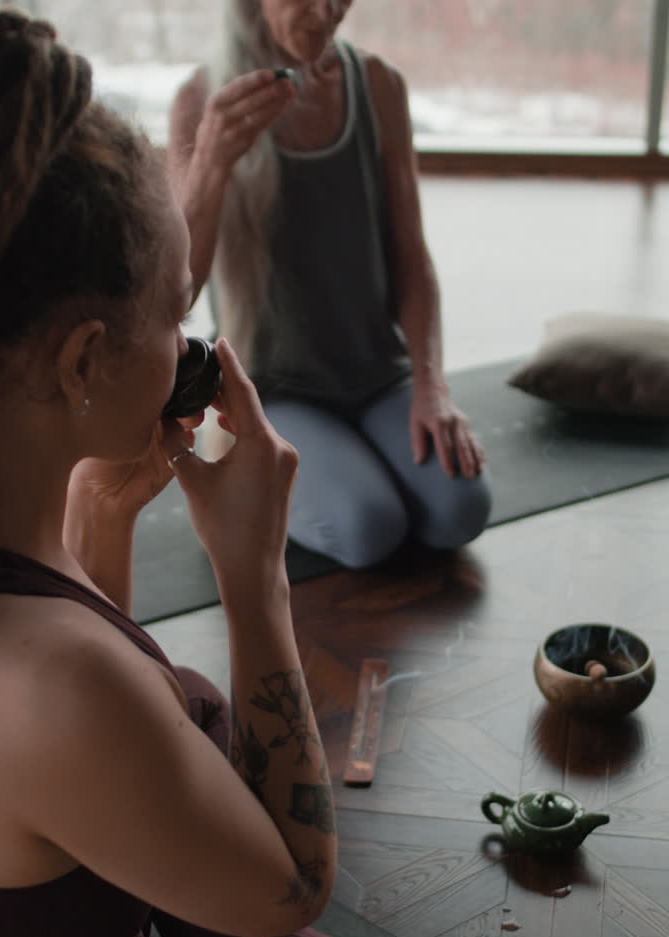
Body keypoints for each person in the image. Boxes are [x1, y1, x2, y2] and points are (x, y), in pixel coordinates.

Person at [0, 10, 614, 937]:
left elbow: (81, 749)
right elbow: (295, 885)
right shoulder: (43, 678)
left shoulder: (4, 544)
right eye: (175, 315)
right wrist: (254, 575)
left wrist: (99, 533)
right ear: (85, 358)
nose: (191, 348)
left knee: (190, 704)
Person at [167, 0, 491, 570]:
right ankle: (244, 470)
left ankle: (339, 462)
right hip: (274, 389)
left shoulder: (379, 85)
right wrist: (212, 164)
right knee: (368, 528)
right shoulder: (200, 100)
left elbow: (412, 255)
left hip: (377, 373)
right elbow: (177, 293)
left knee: (460, 511)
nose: (327, 11)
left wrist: (431, 386)